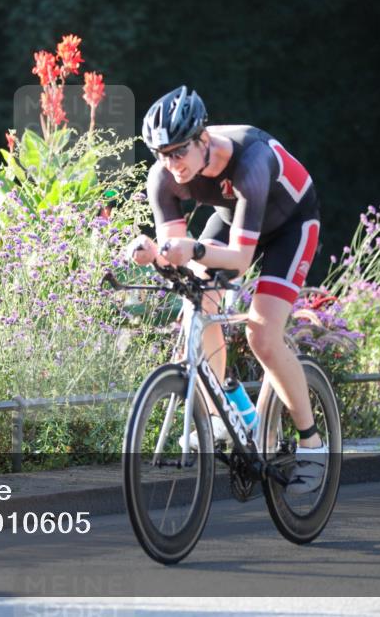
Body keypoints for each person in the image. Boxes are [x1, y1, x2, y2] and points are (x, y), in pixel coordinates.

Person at [127, 86, 326, 495]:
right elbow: (175, 251)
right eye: (162, 154)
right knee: (195, 307)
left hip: (291, 224)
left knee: (262, 335)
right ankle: (232, 411)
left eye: (179, 151)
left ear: (203, 139)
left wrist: (194, 249)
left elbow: (238, 259)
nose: (172, 164)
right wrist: (153, 252)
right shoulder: (163, 177)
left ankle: (313, 445)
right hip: (234, 217)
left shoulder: (251, 158)